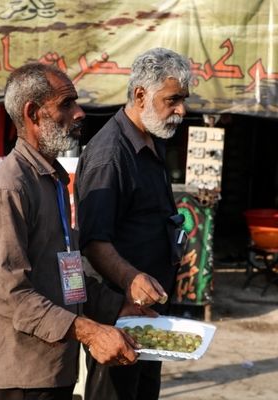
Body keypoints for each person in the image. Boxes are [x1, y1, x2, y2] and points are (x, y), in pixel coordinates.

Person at [0, 62, 148, 400]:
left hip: (55, 366)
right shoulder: (7, 190)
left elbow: (68, 276)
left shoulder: (50, 181)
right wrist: (91, 333)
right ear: (33, 113)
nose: (79, 113)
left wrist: (117, 307)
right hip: (23, 373)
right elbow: (12, 295)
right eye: (66, 104)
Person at [75, 48, 191, 400]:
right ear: (141, 95)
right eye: (173, 100)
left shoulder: (150, 140)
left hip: (146, 313)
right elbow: (94, 242)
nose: (181, 110)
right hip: (117, 315)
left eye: (183, 100)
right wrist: (131, 278)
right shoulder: (109, 156)